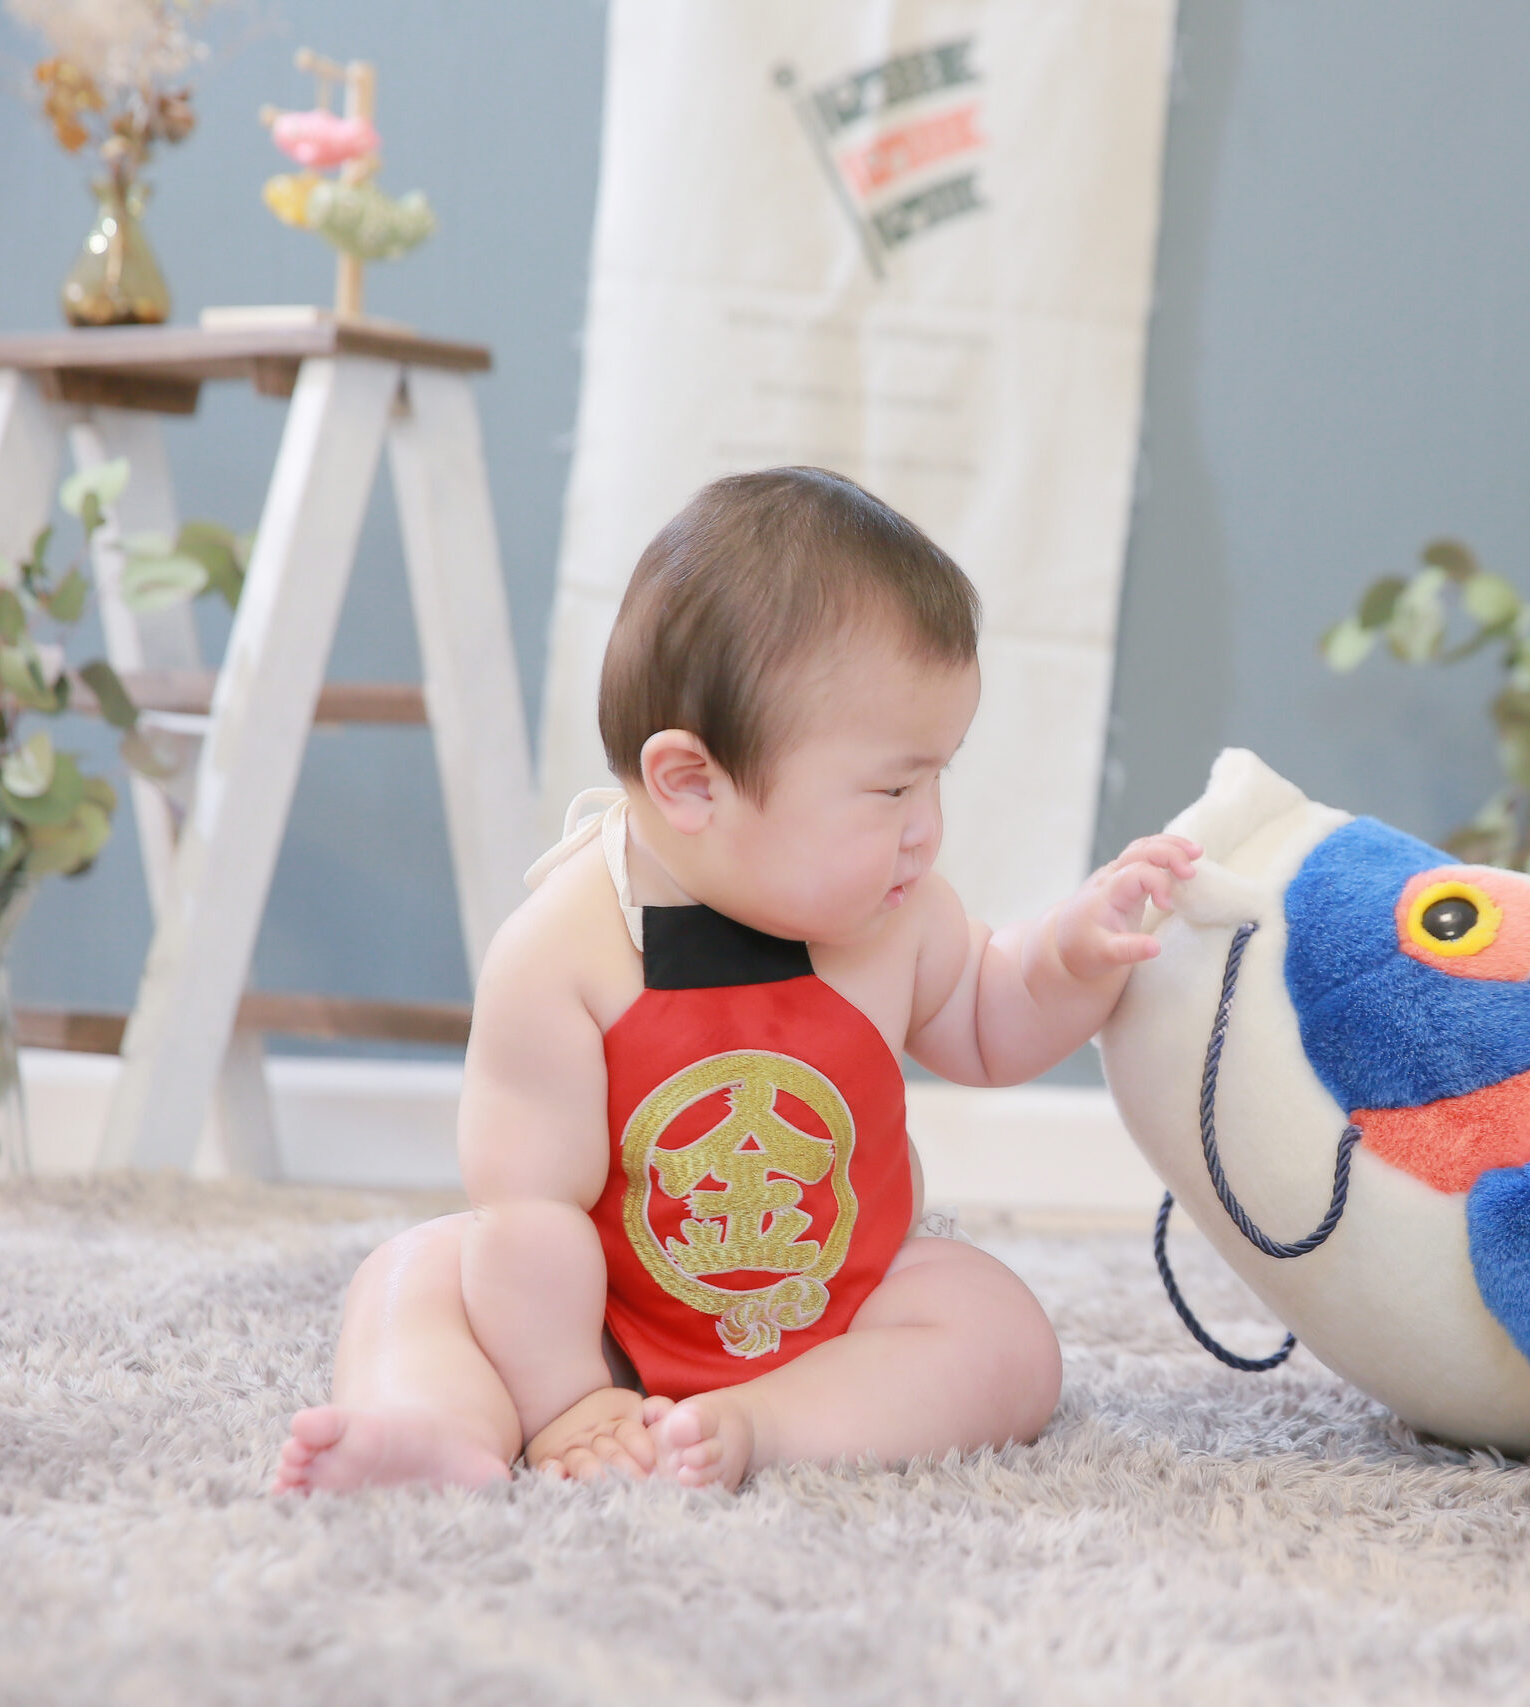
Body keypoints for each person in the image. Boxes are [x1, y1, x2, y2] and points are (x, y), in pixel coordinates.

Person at [273, 467, 1196, 1492]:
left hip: (837, 1304)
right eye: (893, 787)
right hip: (601, 1318)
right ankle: (430, 1424)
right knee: (418, 1275)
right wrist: (570, 1400)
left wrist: (1067, 955)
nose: (926, 827)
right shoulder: (559, 956)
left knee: (999, 1328)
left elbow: (989, 1018)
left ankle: (763, 1422)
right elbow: (529, 1213)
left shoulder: (900, 916)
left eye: (938, 777)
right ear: (690, 785)